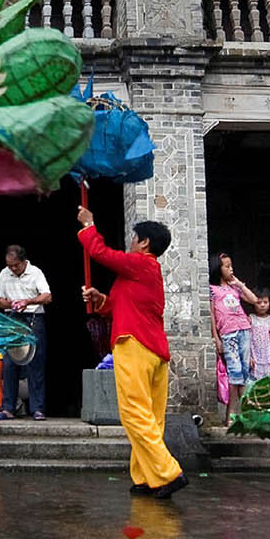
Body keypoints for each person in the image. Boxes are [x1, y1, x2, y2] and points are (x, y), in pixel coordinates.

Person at [76, 206, 185, 498]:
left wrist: (89, 225)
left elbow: (102, 253)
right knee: (150, 417)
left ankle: (167, 472)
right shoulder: (143, 272)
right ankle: (147, 477)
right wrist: (100, 299)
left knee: (135, 414)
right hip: (154, 349)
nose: (132, 243)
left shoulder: (141, 263)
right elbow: (117, 307)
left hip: (134, 345)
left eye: (135, 238)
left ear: (145, 243)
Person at [0, 245, 52, 419]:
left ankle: (38, 408)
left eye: (16, 265)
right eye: (10, 266)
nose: (13, 269)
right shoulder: (5, 273)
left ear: (23, 261)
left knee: (35, 363)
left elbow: (47, 296)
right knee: (10, 364)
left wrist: (28, 301)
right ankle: (8, 408)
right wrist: (12, 304)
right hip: (12, 318)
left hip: (33, 318)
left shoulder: (35, 272)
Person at [209, 254, 259, 424]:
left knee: (245, 373)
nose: (231, 269)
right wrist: (216, 338)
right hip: (228, 333)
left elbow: (254, 300)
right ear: (218, 269)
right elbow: (211, 315)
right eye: (227, 267)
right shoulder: (212, 289)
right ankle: (230, 413)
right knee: (234, 372)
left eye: (231, 266)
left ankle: (245, 414)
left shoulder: (234, 288)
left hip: (244, 329)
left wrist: (238, 283)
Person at [247, 289, 270, 385]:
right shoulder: (250, 319)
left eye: (265, 302)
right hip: (255, 356)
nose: (262, 305)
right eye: (259, 302)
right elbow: (247, 339)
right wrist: (249, 356)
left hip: (269, 357)